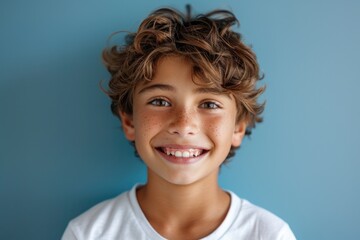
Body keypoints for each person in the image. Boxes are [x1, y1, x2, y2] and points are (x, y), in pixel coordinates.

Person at [62, 5, 296, 240]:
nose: (184, 126)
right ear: (129, 121)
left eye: (209, 104)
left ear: (238, 126)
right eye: (161, 102)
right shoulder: (88, 233)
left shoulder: (269, 234)